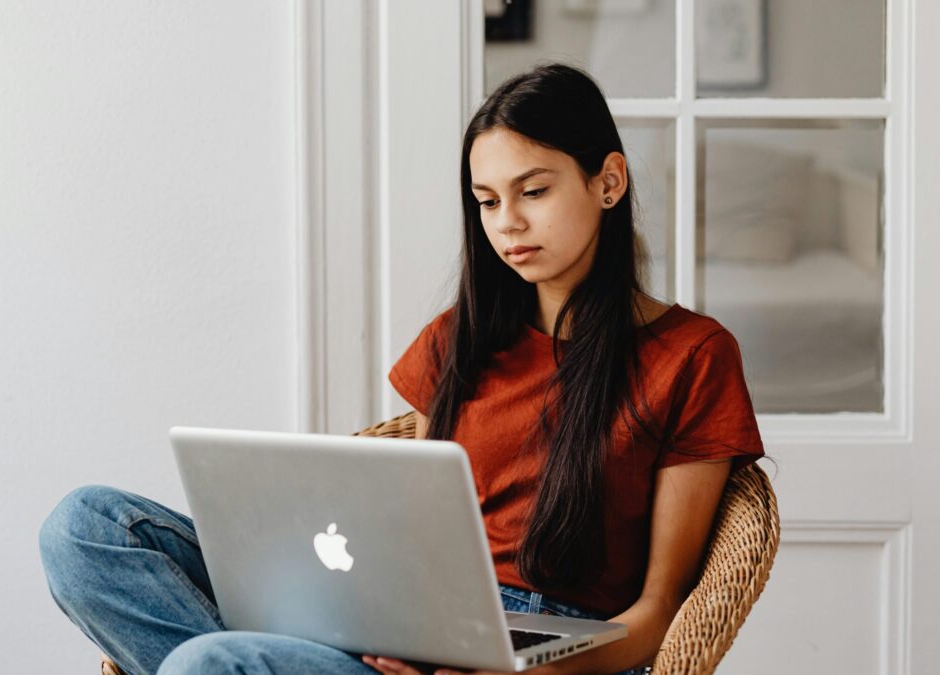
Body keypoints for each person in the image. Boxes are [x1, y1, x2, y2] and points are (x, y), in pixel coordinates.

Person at [38, 62, 765, 675]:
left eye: (533, 191)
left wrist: (497, 665)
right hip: (394, 627)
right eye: (486, 201)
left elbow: (656, 614)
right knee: (83, 528)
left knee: (204, 665)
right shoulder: (461, 339)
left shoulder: (694, 356)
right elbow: (406, 528)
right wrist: (385, 624)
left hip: (537, 648)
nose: (506, 221)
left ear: (608, 183)